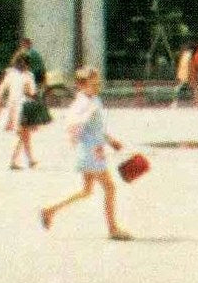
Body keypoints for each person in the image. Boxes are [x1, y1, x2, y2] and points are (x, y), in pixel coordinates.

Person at [40, 67, 131, 241]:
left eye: (98, 83)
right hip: (91, 152)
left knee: (87, 190)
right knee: (110, 188)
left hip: (91, 151)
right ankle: (113, 229)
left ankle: (49, 210)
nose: (97, 86)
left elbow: (96, 128)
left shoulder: (92, 99)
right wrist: (89, 137)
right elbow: (76, 124)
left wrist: (110, 141)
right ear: (81, 85)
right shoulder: (84, 103)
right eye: (93, 84)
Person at [0, 52, 41, 169]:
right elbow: (33, 93)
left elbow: (1, 90)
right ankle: (14, 160)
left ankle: (30, 160)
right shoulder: (28, 76)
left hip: (13, 108)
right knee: (23, 134)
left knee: (25, 134)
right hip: (23, 108)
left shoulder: (10, 74)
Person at [171, 41, 196, 108]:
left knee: (178, 87)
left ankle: (174, 103)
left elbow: (180, 65)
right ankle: (194, 102)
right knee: (193, 87)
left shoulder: (183, 54)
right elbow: (190, 65)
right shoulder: (189, 54)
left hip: (182, 73)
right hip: (187, 73)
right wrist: (192, 74)